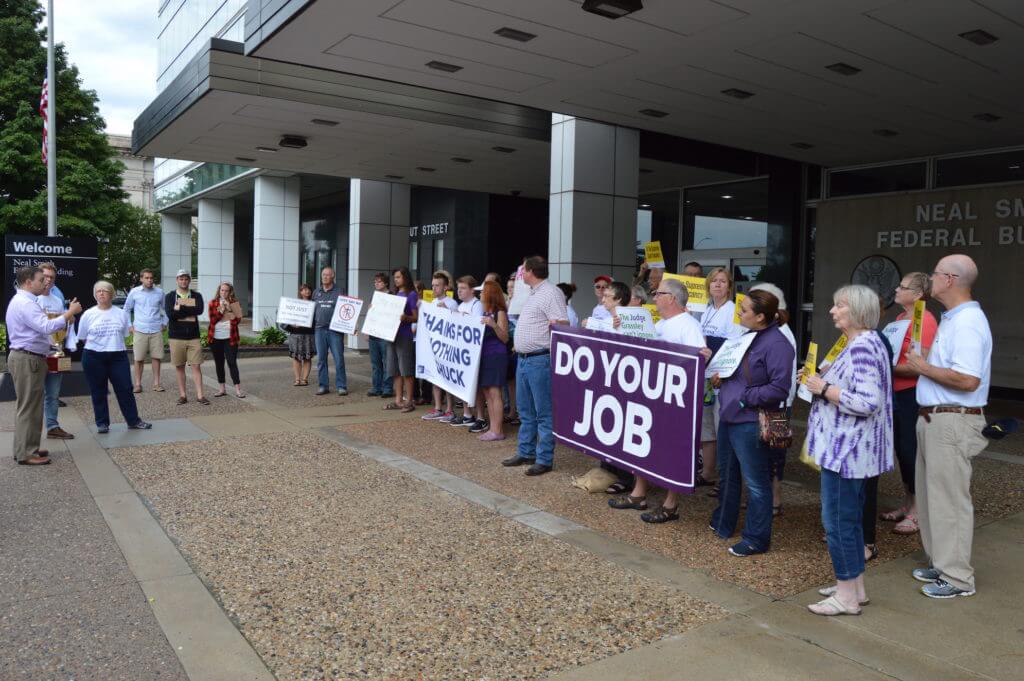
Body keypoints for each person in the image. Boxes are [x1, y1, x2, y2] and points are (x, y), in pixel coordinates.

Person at [801, 285, 893, 615]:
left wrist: (824, 388)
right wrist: (822, 381)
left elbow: (868, 402)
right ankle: (855, 587)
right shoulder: (864, 343)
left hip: (846, 452)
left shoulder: (863, 346)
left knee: (838, 522)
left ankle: (846, 597)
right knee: (850, 521)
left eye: (839, 306)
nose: (832, 311)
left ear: (855, 311)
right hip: (851, 451)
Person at [904, 254, 991, 599]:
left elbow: (968, 380)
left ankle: (957, 578)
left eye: (935, 274)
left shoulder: (969, 322)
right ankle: (941, 563)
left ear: (951, 279)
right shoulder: (955, 319)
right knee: (931, 497)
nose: (931, 280)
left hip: (952, 418)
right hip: (936, 417)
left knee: (949, 500)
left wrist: (923, 366)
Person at [609, 278, 708, 522]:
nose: (654, 297)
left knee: (672, 449)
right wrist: (621, 328)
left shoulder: (689, 326)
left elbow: (697, 363)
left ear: (672, 298)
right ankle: (638, 493)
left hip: (674, 402)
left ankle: (670, 505)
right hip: (651, 397)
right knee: (641, 443)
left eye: (659, 293)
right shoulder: (660, 323)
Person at [709, 289, 795, 556]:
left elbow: (780, 388)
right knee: (728, 475)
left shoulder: (778, 345)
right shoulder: (747, 337)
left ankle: (756, 539)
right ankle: (724, 522)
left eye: (744, 309)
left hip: (751, 420)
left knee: (757, 484)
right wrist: (721, 380)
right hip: (732, 416)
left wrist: (744, 398)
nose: (739, 312)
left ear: (760, 316)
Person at [879, 272, 938, 535]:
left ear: (917, 295)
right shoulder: (900, 319)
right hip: (893, 392)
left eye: (901, 287)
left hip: (910, 393)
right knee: (901, 451)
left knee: (909, 450)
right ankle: (907, 503)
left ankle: (917, 512)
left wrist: (886, 368)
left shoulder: (923, 320)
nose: (896, 290)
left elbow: (919, 365)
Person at [5, 266, 82, 465]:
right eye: (41, 279)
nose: (45, 283)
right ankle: (26, 453)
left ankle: (27, 448)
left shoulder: (24, 301)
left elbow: (39, 332)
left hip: (29, 357)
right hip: (28, 359)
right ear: (29, 282)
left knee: (31, 407)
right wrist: (69, 313)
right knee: (29, 408)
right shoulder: (26, 303)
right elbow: (46, 327)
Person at [503, 255, 568, 476]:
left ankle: (544, 458)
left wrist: (556, 324)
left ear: (530, 272)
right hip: (524, 358)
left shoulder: (551, 293)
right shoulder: (532, 293)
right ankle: (526, 451)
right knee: (525, 410)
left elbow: (563, 322)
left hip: (540, 359)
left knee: (543, 412)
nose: (521, 275)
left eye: (523, 271)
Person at [748, 282, 798, 516]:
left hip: (779, 404)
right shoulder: (771, 329)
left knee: (776, 450)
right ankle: (767, 495)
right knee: (767, 450)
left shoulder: (781, 333)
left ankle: (775, 497)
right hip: (771, 401)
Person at [77, 281, 153, 434]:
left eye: (105, 290)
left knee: (125, 388)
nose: (101, 293)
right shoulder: (88, 314)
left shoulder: (121, 314)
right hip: (93, 356)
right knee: (98, 390)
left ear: (111, 294)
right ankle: (102, 423)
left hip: (117, 356)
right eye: (98, 291)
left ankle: (133, 420)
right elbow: (83, 337)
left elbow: (124, 334)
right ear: (95, 294)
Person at [699, 268, 745, 490]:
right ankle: (708, 472)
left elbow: (734, 347)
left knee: (722, 427)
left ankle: (727, 477)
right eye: (714, 281)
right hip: (705, 375)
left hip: (721, 377)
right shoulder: (706, 310)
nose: (717, 284)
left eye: (722, 281)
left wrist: (723, 374)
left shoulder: (733, 310)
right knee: (707, 427)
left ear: (729, 286)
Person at [37, 262, 76, 440]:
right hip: (35, 353)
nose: (48, 280)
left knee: (53, 394)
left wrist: (70, 319)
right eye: (45, 276)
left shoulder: (57, 300)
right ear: (38, 276)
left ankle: (52, 426)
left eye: (52, 277)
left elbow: (62, 325)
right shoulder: (31, 299)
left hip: (54, 352)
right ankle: (31, 432)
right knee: (33, 395)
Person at [164, 269, 208, 405]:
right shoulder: (170, 296)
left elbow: (199, 310)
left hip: (193, 337)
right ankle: (183, 396)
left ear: (189, 280)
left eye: (186, 279)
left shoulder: (196, 295)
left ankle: (200, 396)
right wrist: (188, 310)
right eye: (181, 279)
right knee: (180, 367)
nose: (183, 281)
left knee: (196, 366)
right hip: (176, 337)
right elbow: (171, 314)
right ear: (177, 280)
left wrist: (180, 308)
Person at [422, 271, 460, 421]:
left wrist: (446, 311)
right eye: (433, 285)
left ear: (445, 287)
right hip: (435, 345)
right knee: (435, 377)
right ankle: (438, 407)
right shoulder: (431, 303)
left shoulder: (452, 303)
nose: (434, 288)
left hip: (447, 347)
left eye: (437, 285)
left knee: (447, 379)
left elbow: (457, 324)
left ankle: (450, 409)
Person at [450, 275, 486, 428]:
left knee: (475, 387)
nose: (460, 291)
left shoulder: (476, 305)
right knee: (463, 383)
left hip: (472, 353)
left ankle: (480, 417)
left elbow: (476, 326)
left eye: (463, 288)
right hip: (461, 351)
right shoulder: (460, 305)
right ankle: (467, 414)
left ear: (472, 290)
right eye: (458, 288)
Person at [125, 268, 168, 394]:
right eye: (147, 278)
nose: (149, 280)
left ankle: (156, 383)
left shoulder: (159, 292)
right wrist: (129, 325)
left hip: (156, 329)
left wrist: (164, 323)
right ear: (141, 279)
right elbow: (126, 309)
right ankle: (138, 384)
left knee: (157, 357)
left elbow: (167, 309)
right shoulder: (134, 292)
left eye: (151, 278)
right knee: (138, 359)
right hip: (139, 329)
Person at [477, 281, 510, 441]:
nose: (480, 294)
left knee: (495, 392)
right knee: (487, 392)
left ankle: (498, 430)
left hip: (496, 355)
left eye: (483, 292)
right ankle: (493, 428)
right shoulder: (484, 312)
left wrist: (494, 325)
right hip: (484, 356)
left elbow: (505, 337)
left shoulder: (500, 312)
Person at [384, 267, 418, 413]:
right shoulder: (395, 294)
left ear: (405, 277)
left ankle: (409, 401)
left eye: (398, 277)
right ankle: (398, 400)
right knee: (395, 370)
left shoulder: (412, 295)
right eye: (395, 277)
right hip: (392, 334)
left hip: (404, 335)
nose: (395, 280)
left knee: (406, 369)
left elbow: (416, 317)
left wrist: (406, 318)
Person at [313, 266, 348, 396]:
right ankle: (323, 386)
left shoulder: (339, 291)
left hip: (335, 331)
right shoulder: (316, 292)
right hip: (319, 330)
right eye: (323, 275)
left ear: (333, 276)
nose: (325, 277)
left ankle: (342, 386)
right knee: (321, 359)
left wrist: (351, 326)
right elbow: (311, 310)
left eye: (328, 275)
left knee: (339, 359)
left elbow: (346, 309)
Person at [206, 282, 245, 398]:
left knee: (232, 362)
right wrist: (221, 310)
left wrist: (229, 310)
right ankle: (222, 388)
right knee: (219, 363)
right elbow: (213, 320)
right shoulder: (213, 303)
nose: (224, 292)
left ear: (230, 291)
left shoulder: (234, 303)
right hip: (216, 337)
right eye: (222, 290)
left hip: (230, 337)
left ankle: (238, 389)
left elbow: (237, 320)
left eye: (226, 290)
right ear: (219, 291)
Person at [365, 273, 393, 398]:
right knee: (375, 363)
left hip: (385, 334)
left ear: (386, 283)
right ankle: (376, 387)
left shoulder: (392, 296)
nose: (376, 284)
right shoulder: (375, 296)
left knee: (387, 362)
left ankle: (387, 388)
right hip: (374, 333)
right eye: (375, 282)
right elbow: (371, 314)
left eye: (379, 282)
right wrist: (366, 330)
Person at [284, 283, 316, 386]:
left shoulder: (315, 304)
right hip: (295, 334)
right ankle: (297, 379)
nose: (307, 291)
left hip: (308, 334)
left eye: (308, 289)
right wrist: (291, 325)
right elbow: (285, 318)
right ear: (300, 292)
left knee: (307, 357)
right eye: (304, 289)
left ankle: (305, 379)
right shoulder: (294, 304)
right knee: (296, 357)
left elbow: (317, 320)